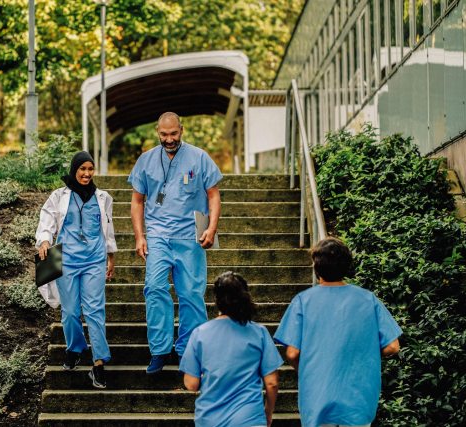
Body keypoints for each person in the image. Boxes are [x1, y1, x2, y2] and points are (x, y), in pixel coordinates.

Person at [128, 112, 223, 374]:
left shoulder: (199, 157)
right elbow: (137, 201)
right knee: (155, 288)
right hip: (158, 237)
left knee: (191, 295)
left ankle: (189, 351)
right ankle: (159, 350)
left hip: (190, 236)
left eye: (174, 134)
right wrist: (140, 236)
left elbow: (213, 195)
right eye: (164, 135)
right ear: (157, 132)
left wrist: (212, 228)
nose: (169, 139)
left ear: (181, 130)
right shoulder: (146, 160)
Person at [274, 237, 402, 427]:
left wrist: (309, 371)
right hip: (358, 398)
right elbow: (392, 346)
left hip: (317, 396)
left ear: (316, 268)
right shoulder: (368, 300)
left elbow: (292, 353)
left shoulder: (303, 301)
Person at [35, 151, 117, 389]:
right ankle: (75, 348)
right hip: (67, 260)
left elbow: (108, 228)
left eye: (90, 169)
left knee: (94, 311)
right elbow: (47, 221)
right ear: (74, 170)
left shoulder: (103, 197)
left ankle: (99, 363)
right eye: (82, 169)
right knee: (70, 311)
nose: (87, 173)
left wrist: (110, 256)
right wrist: (44, 241)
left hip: (94, 260)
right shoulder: (59, 196)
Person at [180, 271, 282, 427]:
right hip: (249, 418)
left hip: (210, 419)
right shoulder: (259, 332)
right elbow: (272, 383)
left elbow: (191, 384)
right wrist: (268, 413)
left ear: (217, 299)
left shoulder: (200, 333)